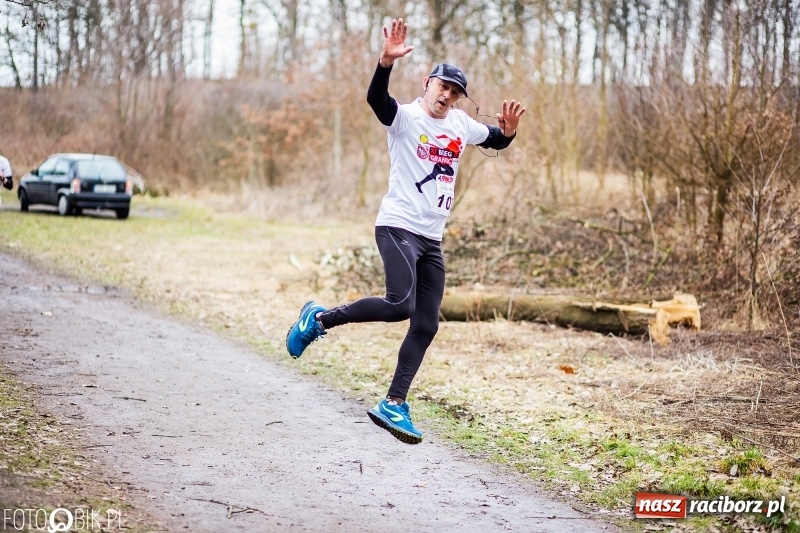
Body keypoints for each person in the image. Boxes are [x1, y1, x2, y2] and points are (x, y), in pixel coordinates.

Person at [286, 17, 526, 445]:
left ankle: (394, 402)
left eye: (455, 93)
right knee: (400, 304)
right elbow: (376, 99)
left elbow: (495, 140)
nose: (447, 96)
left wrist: (508, 132)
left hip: (431, 240)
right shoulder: (406, 117)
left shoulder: (458, 125)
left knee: (427, 323)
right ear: (427, 83)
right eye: (442, 87)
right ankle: (319, 318)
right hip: (397, 226)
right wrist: (384, 62)